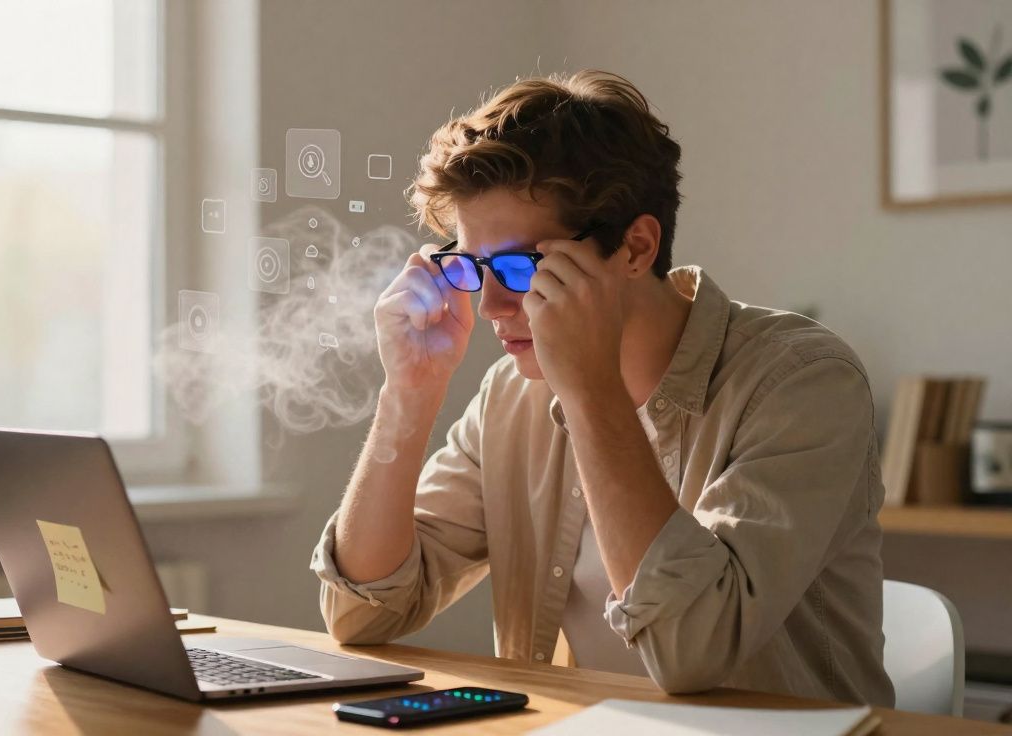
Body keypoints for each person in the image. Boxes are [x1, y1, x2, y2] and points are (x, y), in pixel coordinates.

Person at [310, 70, 894, 706]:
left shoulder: (803, 382)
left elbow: (691, 649)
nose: (493, 305)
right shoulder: (512, 395)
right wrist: (409, 392)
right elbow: (362, 612)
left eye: (519, 266)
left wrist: (591, 391)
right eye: (473, 268)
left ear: (636, 247)